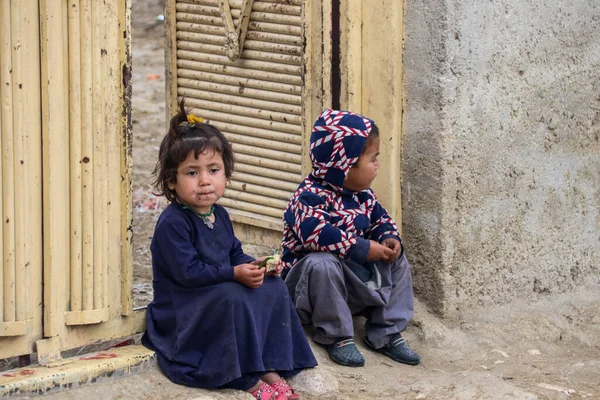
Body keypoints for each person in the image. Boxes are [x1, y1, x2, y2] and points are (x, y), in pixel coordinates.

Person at [142, 100, 317, 400]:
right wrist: (233, 274)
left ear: (226, 174)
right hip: (184, 308)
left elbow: (233, 252)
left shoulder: (218, 214)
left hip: (213, 291)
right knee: (232, 296)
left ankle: (266, 364)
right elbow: (188, 273)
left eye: (213, 170)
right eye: (192, 173)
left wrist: (256, 265)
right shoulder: (173, 223)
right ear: (172, 181)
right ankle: (242, 376)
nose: (205, 181)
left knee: (273, 287)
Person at [281, 109, 421, 368]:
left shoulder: (363, 195)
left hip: (347, 284)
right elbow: (317, 235)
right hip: (307, 292)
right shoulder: (308, 196)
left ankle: (385, 331)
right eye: (372, 159)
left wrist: (389, 238)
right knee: (321, 262)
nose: (378, 165)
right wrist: (361, 247)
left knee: (398, 260)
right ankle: (335, 333)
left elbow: (381, 219)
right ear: (344, 166)